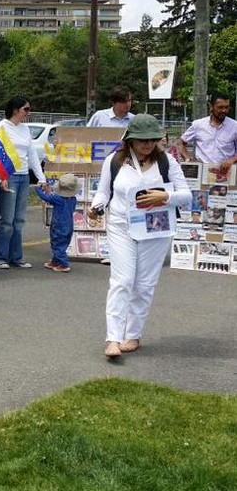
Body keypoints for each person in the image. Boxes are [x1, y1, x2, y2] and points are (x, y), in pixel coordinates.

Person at [89, 114, 191, 359]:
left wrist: (165, 197)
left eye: (152, 139)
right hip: (121, 226)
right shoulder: (114, 161)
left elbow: (186, 195)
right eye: (142, 140)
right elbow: (104, 192)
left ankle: (133, 335)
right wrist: (96, 207)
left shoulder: (167, 162)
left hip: (155, 229)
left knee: (144, 284)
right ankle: (113, 338)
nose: (147, 144)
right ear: (130, 139)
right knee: (122, 281)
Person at [0, 96, 49, 269]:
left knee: (19, 220)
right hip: (8, 175)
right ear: (15, 110)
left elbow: (32, 155)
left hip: (23, 176)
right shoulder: (1, 127)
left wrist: (41, 177)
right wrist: (2, 177)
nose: (28, 113)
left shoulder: (25, 129)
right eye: (26, 109)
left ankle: (16, 256)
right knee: (7, 220)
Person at [176, 94, 237, 175]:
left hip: (227, 173)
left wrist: (232, 161)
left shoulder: (234, 126)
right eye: (220, 107)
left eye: (226, 107)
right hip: (202, 173)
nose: (224, 110)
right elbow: (181, 142)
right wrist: (187, 158)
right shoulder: (198, 125)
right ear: (211, 106)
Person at [35, 173, 78, 273]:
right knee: (61, 244)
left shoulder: (58, 199)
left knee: (57, 245)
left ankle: (64, 264)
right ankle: (55, 261)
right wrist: (48, 191)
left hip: (58, 225)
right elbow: (51, 197)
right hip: (69, 225)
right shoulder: (73, 199)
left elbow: (46, 198)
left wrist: (38, 189)